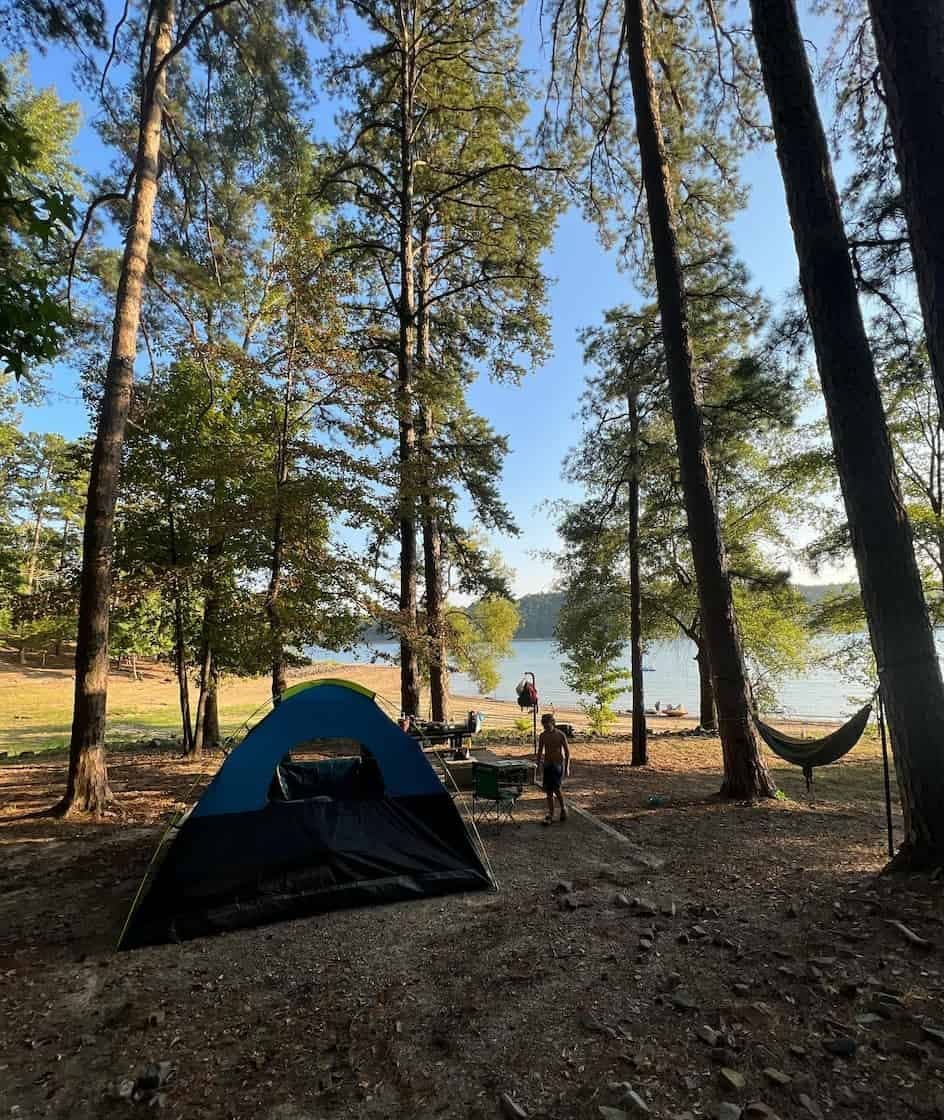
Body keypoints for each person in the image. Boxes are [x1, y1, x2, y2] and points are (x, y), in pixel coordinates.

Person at [536, 713, 570, 825]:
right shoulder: (542, 736)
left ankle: (563, 808)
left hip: (558, 764)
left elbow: (567, 752)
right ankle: (551, 813)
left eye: (547, 724)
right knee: (548, 791)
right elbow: (540, 752)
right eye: (543, 724)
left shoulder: (560, 735)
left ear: (552, 723)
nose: (545, 726)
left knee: (557, 788)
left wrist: (567, 767)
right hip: (547, 764)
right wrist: (538, 766)